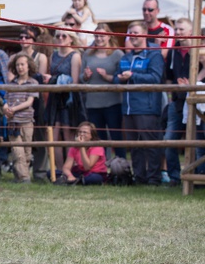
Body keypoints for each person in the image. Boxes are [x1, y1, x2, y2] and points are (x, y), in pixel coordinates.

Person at [113, 21, 165, 185]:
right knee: (134, 146)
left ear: (144, 33)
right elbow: (116, 77)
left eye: (136, 33)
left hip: (147, 108)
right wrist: (120, 79)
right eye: (130, 34)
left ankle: (154, 178)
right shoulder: (125, 57)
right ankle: (140, 178)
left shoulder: (154, 54)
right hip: (128, 109)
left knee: (150, 145)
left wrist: (132, 76)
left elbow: (155, 78)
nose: (133, 37)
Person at [164, 17, 199, 186]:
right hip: (177, 103)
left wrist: (193, 83)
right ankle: (175, 177)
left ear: (191, 31)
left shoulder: (199, 48)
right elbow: (169, 77)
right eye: (176, 29)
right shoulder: (173, 51)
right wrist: (173, 94)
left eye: (181, 30)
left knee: (199, 143)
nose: (177, 33)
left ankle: (200, 177)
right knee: (169, 141)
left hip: (198, 102)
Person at [81, 23, 124, 159]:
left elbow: (122, 77)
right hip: (93, 103)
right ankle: (101, 167)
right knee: (98, 138)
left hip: (112, 102)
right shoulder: (87, 54)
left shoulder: (117, 54)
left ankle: (121, 167)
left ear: (109, 36)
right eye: (96, 36)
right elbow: (81, 79)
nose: (99, 39)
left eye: (102, 36)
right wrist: (86, 76)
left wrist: (107, 77)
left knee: (116, 136)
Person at [44, 26, 85, 170]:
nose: (60, 38)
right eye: (58, 36)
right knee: (53, 135)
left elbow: (74, 81)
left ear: (71, 39)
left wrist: (53, 79)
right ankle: (59, 170)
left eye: (64, 36)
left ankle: (69, 169)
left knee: (68, 134)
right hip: (55, 97)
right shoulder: (53, 55)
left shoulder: (75, 56)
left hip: (69, 99)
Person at [3, 54, 39, 183]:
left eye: (22, 64)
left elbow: (29, 102)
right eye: (17, 65)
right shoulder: (10, 83)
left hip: (27, 122)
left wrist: (14, 109)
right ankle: (25, 178)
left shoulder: (33, 83)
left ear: (29, 66)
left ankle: (19, 176)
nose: (20, 67)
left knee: (27, 152)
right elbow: (5, 100)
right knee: (17, 151)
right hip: (13, 122)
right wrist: (6, 108)